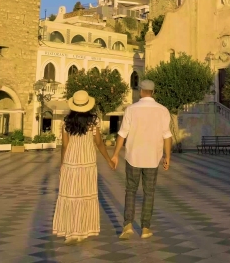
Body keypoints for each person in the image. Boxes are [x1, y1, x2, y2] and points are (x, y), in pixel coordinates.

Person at [110, 80, 171, 240]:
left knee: (130, 190)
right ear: (153, 92)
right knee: (149, 193)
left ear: (141, 91)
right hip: (152, 158)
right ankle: (145, 228)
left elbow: (122, 134)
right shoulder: (163, 110)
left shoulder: (131, 109)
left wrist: (115, 154)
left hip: (133, 157)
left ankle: (128, 224)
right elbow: (167, 135)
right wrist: (167, 156)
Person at [52, 90, 114, 245]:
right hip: (88, 163)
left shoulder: (66, 122)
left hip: (71, 163)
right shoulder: (94, 122)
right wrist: (108, 159)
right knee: (85, 196)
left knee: (71, 196)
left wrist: (62, 164)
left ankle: (71, 232)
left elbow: (65, 145)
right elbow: (99, 143)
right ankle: (82, 231)